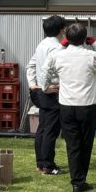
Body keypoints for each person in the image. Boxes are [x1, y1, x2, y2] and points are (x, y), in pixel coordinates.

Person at [43, 23, 96, 192]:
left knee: (72, 145)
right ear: (84, 38)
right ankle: (81, 181)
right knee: (85, 145)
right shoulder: (90, 55)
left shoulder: (59, 55)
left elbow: (45, 68)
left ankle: (76, 181)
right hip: (86, 107)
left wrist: (45, 87)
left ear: (67, 39)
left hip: (66, 106)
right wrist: (94, 43)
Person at [26, 15, 67, 175]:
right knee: (51, 130)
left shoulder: (41, 45)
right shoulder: (57, 48)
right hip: (51, 92)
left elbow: (31, 66)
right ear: (61, 30)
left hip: (40, 92)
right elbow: (49, 70)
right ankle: (48, 166)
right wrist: (44, 87)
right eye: (64, 28)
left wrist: (33, 85)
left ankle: (40, 163)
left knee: (42, 128)